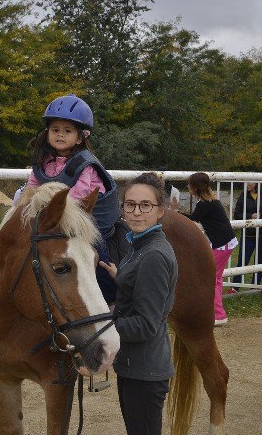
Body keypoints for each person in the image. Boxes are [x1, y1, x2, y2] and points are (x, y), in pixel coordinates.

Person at [99, 172, 178, 435]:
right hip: (137, 366)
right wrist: (120, 275)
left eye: (146, 205)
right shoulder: (139, 244)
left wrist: (102, 327)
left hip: (144, 371)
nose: (136, 212)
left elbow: (144, 325)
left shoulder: (153, 254)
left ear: (160, 211)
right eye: (130, 205)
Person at [27, 93, 121, 303]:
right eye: (55, 130)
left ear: (79, 137)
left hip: (92, 219)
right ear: (47, 132)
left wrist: (50, 207)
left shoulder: (85, 164)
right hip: (62, 218)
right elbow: (31, 187)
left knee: (97, 250)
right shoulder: (43, 162)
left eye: (67, 131)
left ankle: (109, 295)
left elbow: (79, 195)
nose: (60, 135)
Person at [183, 172, 237, 326]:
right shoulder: (210, 202)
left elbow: (191, 220)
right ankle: (215, 313)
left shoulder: (204, 205)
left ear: (195, 187)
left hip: (222, 245)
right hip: (225, 243)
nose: (187, 187)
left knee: (211, 278)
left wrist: (173, 211)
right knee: (215, 278)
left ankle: (219, 315)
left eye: (189, 184)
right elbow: (194, 218)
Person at [231, 182, 262, 286]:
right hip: (248, 235)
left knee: (260, 262)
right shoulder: (243, 196)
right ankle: (235, 286)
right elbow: (237, 215)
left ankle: (255, 285)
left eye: (250, 182)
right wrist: (250, 216)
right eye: (246, 183)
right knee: (242, 261)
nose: (247, 185)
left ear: (256, 183)